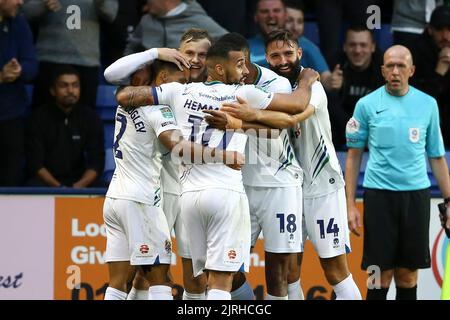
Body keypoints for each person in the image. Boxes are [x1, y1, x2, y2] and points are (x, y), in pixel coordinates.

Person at [116, 36, 319, 300]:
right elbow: (296, 105)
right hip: (225, 194)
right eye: (240, 65)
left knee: (200, 281)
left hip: (189, 197)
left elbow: (125, 96)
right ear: (221, 69)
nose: (246, 72)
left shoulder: (179, 91)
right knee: (221, 281)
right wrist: (305, 81)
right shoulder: (241, 93)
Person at [222, 29, 362, 300]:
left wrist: (248, 116)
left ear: (299, 53)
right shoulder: (275, 87)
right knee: (288, 273)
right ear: (267, 58)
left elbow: (295, 112)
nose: (283, 60)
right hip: (292, 187)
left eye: (288, 53)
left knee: (335, 271)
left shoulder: (313, 87)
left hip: (322, 187)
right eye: (275, 55)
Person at [103, 59, 244, 300]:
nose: (185, 84)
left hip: (114, 198)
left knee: (117, 284)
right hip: (142, 201)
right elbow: (178, 147)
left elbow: (114, 78)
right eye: (180, 80)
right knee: (162, 281)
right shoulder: (160, 110)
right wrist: (222, 155)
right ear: (163, 80)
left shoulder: (124, 102)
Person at [104, 28, 212, 300]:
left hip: (181, 190)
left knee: (194, 274)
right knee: (155, 275)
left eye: (202, 55)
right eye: (188, 54)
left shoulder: (214, 88)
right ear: (175, 57)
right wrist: (154, 52)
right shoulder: (160, 99)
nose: (194, 61)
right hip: (152, 192)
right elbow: (111, 76)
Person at [345, 45, 450, 300]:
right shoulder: (366, 105)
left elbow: (436, 157)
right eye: (389, 66)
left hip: (416, 197)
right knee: (378, 275)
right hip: (379, 196)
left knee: (408, 276)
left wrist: (449, 201)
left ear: (411, 70)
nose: (395, 71)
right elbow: (353, 156)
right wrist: (349, 204)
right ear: (382, 70)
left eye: (401, 66)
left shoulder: (428, 104)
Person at [209, 32, 304, 300]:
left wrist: (239, 122)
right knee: (229, 267)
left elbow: (277, 127)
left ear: (244, 62)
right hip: (240, 186)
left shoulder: (277, 84)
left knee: (278, 273)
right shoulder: (220, 89)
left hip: (280, 184)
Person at [22, 0, 119, 108]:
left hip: (86, 61)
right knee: (43, 117)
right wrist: (43, 5)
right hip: (49, 59)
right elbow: (23, 12)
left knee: (85, 119)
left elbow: (111, 13)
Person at [26, 66, 105, 188]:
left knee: (108, 189)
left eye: (75, 85)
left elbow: (96, 162)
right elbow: (35, 164)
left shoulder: (90, 117)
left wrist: (77, 187)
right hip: (47, 183)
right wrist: (59, 188)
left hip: (80, 183)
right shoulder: (38, 118)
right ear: (53, 90)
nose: (70, 90)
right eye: (64, 85)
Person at [249, 0, 335, 90]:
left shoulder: (306, 45)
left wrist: (332, 81)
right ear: (256, 17)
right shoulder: (245, 46)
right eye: (264, 11)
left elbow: (325, 77)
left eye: (276, 10)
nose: (271, 15)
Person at [327, 25, 384, 149]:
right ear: (345, 47)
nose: (358, 50)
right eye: (352, 45)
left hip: (373, 133)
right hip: (341, 131)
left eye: (363, 45)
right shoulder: (334, 64)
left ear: (372, 47)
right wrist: (331, 88)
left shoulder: (383, 69)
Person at [0, 0, 38, 186]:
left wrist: (19, 70)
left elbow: (32, 66)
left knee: (11, 178)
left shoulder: (19, 23)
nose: (20, 2)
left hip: (11, 114)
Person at [124, 0, 227, 55]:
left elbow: (233, 44)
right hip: (153, 86)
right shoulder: (146, 21)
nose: (145, 7)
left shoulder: (200, 21)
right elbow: (131, 49)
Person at [412, 5, 450, 147]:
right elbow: (419, 105)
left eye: (449, 30)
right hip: (423, 125)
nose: (445, 36)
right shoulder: (416, 52)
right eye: (440, 30)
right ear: (430, 30)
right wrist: (438, 73)